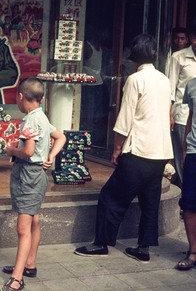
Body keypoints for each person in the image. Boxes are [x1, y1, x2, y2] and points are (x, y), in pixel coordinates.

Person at [74, 34, 173, 263]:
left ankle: (101, 243)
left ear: (134, 55)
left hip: (138, 149)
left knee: (111, 197)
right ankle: (143, 247)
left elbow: (126, 117)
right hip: (159, 151)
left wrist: (117, 149)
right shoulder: (163, 79)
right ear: (154, 55)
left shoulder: (135, 79)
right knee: (150, 199)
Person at [1, 78, 66, 291]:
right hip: (38, 174)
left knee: (23, 228)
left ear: (20, 97)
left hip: (28, 174)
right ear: (42, 98)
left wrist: (11, 150)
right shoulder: (42, 117)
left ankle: (17, 278)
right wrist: (50, 156)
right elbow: (61, 137)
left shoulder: (30, 120)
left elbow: (28, 152)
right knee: (34, 220)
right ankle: (29, 263)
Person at [168, 26, 196, 189]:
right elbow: (171, 88)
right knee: (182, 156)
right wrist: (169, 114)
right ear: (191, 38)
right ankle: (184, 193)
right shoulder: (178, 57)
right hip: (183, 115)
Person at [176, 76, 196, 270]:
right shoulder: (192, 84)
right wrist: (184, 148)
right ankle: (193, 252)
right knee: (189, 204)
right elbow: (191, 116)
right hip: (193, 151)